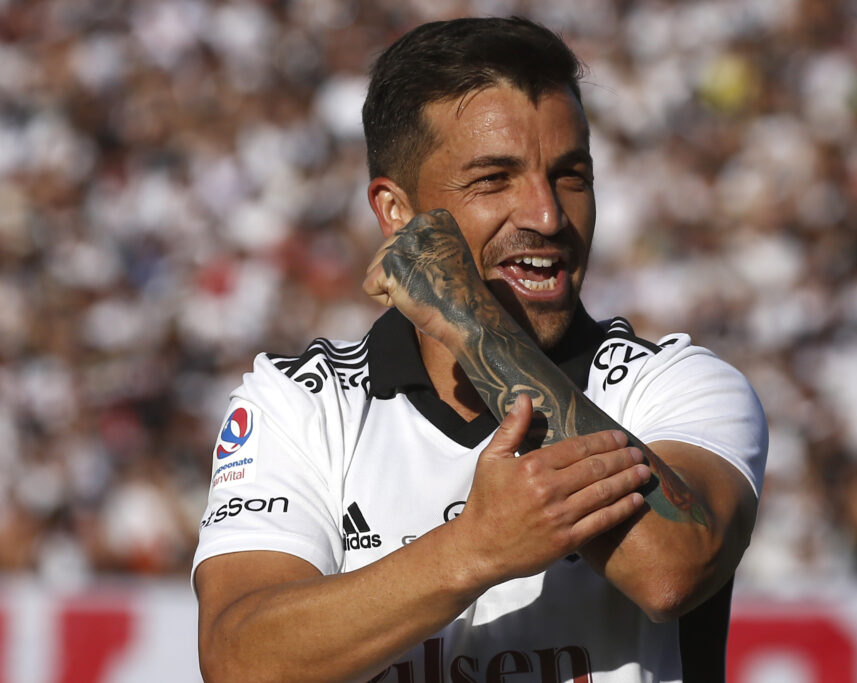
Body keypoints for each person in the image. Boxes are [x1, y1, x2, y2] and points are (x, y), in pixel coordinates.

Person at [193, 16, 767, 683]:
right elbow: (240, 659)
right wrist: (475, 548)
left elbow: (672, 566)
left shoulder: (678, 384)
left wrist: (472, 327)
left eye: (570, 175)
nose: (547, 216)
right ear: (396, 213)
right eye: (495, 179)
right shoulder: (296, 404)